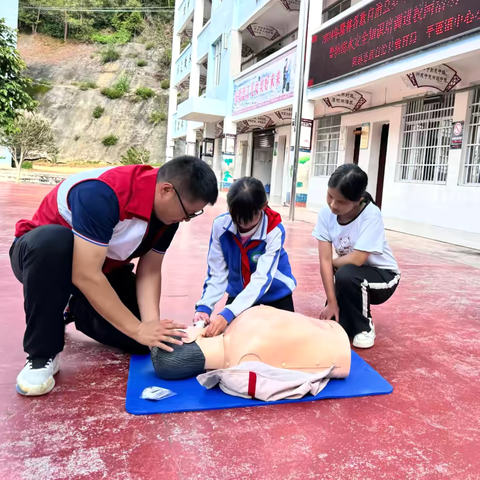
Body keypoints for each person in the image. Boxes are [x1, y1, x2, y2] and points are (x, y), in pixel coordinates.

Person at [10, 156, 218, 396]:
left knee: (142, 342)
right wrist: (137, 328)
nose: (185, 220)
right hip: (43, 262)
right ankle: (41, 354)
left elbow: (149, 270)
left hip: (102, 270)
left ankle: (76, 308)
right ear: (166, 190)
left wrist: (149, 326)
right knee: (53, 242)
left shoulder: (168, 215)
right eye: (187, 213)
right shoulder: (102, 194)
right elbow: (85, 274)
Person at [193, 177, 297, 337]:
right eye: (236, 218)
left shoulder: (274, 231)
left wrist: (228, 313)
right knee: (229, 339)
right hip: (240, 292)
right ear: (229, 207)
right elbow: (217, 273)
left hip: (275, 292)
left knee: (285, 339)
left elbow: (261, 279)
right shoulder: (220, 227)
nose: (242, 224)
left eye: (249, 218)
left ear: (263, 207)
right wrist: (204, 307)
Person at [312, 164, 400, 349]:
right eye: (330, 196)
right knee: (336, 325)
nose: (333, 205)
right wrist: (332, 303)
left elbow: (358, 259)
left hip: (383, 277)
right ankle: (346, 317)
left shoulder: (371, 215)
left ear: (358, 200)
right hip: (350, 274)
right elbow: (324, 260)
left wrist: (332, 264)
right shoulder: (325, 214)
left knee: (347, 273)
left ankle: (364, 328)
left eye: (341, 202)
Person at [151, 305, 351, 382]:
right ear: (191, 338)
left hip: (333, 339)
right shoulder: (243, 352)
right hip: (339, 347)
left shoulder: (237, 354)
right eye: (186, 330)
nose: (190, 326)